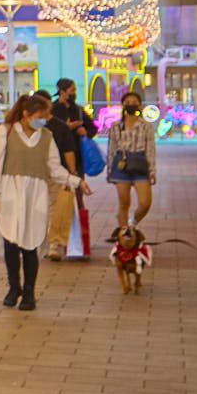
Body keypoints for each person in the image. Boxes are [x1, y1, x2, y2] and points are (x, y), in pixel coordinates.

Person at [0, 90, 81, 312]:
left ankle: (29, 292)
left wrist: (74, 181)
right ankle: (13, 287)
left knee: (31, 242)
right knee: (11, 241)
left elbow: (54, 167)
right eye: (42, 115)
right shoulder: (5, 132)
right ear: (27, 113)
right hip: (10, 192)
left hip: (36, 193)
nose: (45, 120)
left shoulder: (47, 137)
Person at [48, 78, 94, 260]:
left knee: (77, 199)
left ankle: (80, 240)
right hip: (57, 161)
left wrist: (84, 131)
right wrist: (65, 128)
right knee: (58, 201)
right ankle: (57, 241)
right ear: (62, 91)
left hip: (77, 159)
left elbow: (92, 127)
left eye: (74, 90)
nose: (73, 93)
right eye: (71, 90)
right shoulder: (51, 110)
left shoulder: (78, 109)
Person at [106, 90, 157, 235]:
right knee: (124, 202)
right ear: (123, 105)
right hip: (121, 164)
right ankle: (123, 236)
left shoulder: (146, 126)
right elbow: (111, 149)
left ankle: (132, 223)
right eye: (128, 103)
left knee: (145, 202)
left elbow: (151, 149)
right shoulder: (116, 126)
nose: (131, 105)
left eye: (134, 102)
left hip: (140, 163)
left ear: (140, 105)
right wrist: (109, 171)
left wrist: (152, 170)